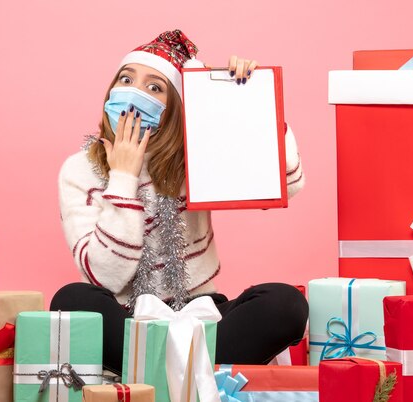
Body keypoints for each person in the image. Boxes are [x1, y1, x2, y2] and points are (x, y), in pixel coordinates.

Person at [51, 29, 307, 374]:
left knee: (286, 303)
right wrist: (123, 177)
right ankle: (194, 373)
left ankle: (152, 372)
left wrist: (242, 100)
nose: (134, 93)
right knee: (72, 301)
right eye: (125, 79)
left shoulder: (197, 156)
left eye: (154, 87)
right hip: (128, 317)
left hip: (203, 314)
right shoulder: (79, 169)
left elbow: (286, 184)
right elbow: (104, 277)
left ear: (173, 107)